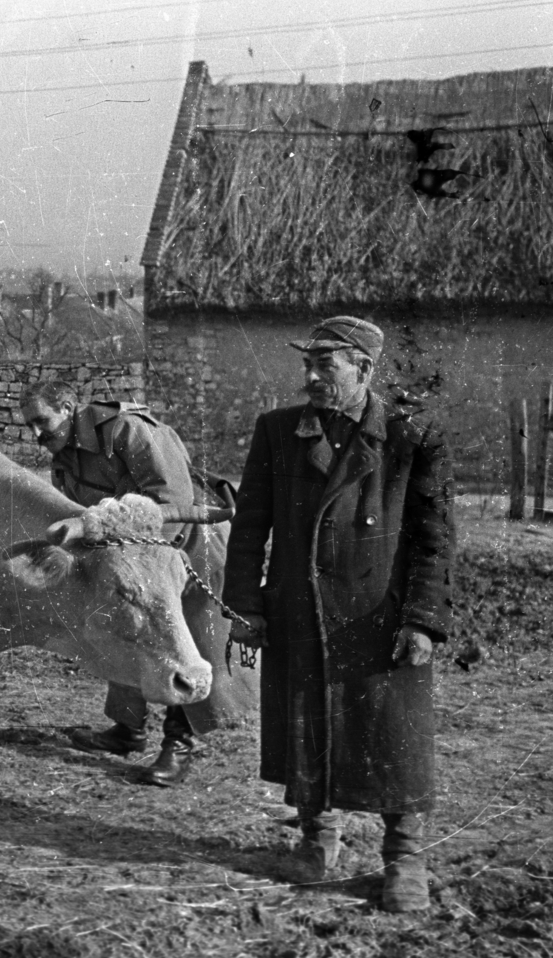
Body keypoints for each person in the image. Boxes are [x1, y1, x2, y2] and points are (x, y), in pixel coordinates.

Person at [221, 316, 454, 913]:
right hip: (299, 609)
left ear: (364, 370)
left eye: (326, 364)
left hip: (379, 616)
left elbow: (435, 538)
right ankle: (315, 840)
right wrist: (245, 606)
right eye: (308, 364)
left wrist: (423, 619)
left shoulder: (411, 436)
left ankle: (405, 857)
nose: (311, 375)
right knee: (307, 724)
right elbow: (248, 529)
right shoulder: (278, 432)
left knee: (394, 737)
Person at [20, 380, 257, 788]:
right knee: (126, 627)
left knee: (185, 644)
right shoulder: (65, 456)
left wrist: (115, 543)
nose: (37, 434)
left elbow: (172, 503)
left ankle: (178, 746)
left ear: (68, 405)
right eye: (31, 426)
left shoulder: (127, 430)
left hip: (191, 548)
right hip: (135, 558)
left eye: (42, 421)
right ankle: (127, 730)